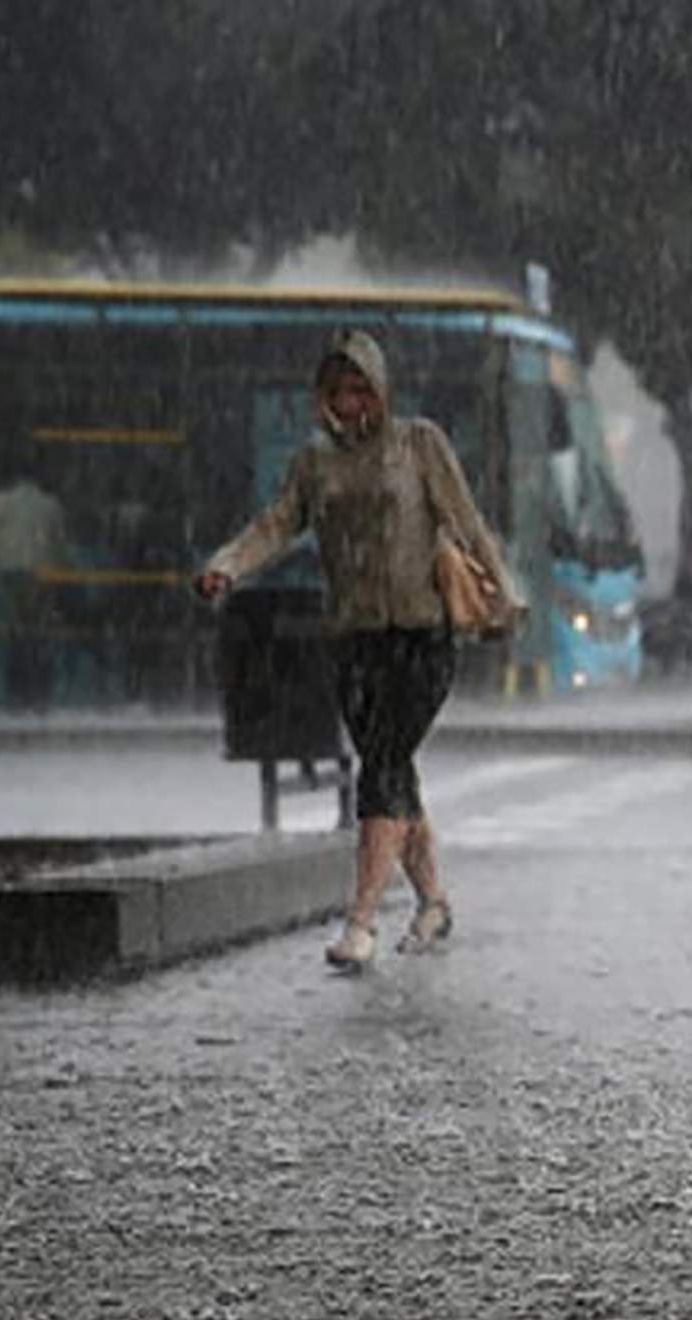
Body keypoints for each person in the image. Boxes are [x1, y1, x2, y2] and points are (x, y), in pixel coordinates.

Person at [194, 329, 519, 971]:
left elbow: (467, 520)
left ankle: (361, 921)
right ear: (323, 397)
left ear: (381, 390)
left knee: (383, 769)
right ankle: (432, 901)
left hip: (422, 636)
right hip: (353, 640)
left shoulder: (419, 444)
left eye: (361, 389)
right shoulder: (315, 463)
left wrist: (502, 594)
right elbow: (277, 524)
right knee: (392, 771)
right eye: (338, 391)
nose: (351, 403)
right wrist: (228, 567)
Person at [0, 460, 69, 711]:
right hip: (42, 573)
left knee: (16, 631)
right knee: (38, 633)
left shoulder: (1, 501)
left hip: (10, 573)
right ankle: (39, 693)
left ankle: (16, 692)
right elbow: (60, 545)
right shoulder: (50, 505)